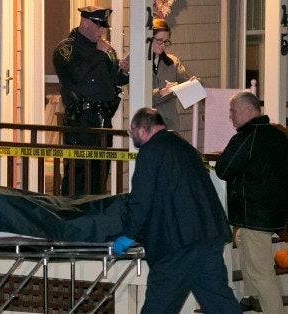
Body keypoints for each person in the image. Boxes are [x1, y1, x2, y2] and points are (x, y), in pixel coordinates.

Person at [113, 108, 241, 313]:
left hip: (177, 245)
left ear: (144, 129)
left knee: (158, 306)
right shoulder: (184, 147)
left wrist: (129, 234)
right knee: (219, 302)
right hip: (209, 237)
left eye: (132, 130)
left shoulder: (151, 151)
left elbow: (141, 199)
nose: (131, 135)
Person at [215, 92, 288, 313]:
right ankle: (252, 296)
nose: (230, 116)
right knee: (242, 240)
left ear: (249, 111)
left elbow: (223, 169)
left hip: (254, 213)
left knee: (262, 272)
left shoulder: (246, 137)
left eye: (233, 111)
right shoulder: (278, 135)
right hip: (274, 210)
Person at [53, 6, 129, 196]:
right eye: (98, 26)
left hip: (103, 119)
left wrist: (125, 70)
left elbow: (114, 79)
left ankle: (95, 214)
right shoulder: (67, 48)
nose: (102, 31)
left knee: (100, 172)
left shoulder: (105, 49)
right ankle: (71, 215)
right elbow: (78, 75)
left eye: (104, 27)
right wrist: (100, 54)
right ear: (85, 23)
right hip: (81, 121)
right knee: (78, 174)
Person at [151, 18, 197, 134]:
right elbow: (137, 94)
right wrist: (162, 92)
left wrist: (193, 84)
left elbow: (186, 85)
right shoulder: (138, 64)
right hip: (147, 126)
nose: (163, 45)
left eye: (166, 41)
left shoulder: (173, 62)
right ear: (149, 39)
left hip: (169, 125)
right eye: (159, 41)